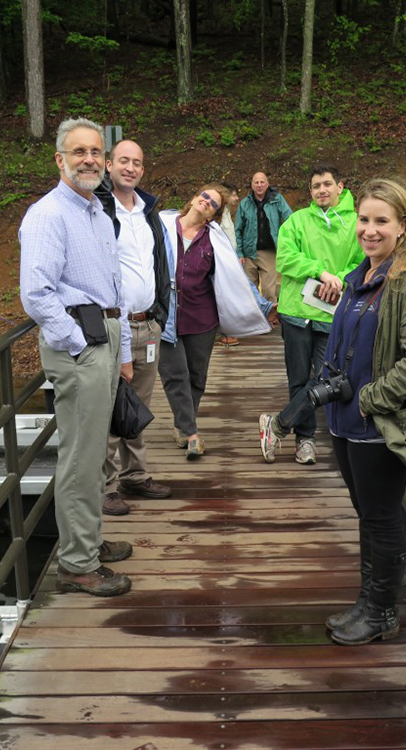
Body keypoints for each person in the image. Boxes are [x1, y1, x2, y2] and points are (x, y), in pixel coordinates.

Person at [319, 177, 406, 646]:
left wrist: (368, 400)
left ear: (402, 227)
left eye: (382, 221)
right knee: (366, 513)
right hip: (345, 422)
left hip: (378, 424)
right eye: (364, 219)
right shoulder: (362, 275)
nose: (370, 229)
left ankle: (382, 611)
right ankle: (367, 601)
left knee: (381, 516)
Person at [18, 117, 134, 598]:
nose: (88, 159)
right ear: (59, 159)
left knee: (92, 453)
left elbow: (114, 289)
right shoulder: (48, 215)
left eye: (94, 152)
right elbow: (36, 294)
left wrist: (122, 346)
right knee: (81, 458)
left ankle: (87, 540)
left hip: (102, 335)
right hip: (80, 343)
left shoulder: (96, 213)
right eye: (78, 151)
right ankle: (76, 564)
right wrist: (79, 343)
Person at [258, 164, 363, 465]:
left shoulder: (355, 223)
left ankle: (277, 425)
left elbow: (361, 261)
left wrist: (339, 279)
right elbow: (286, 258)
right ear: (310, 191)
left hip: (331, 313)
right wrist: (321, 272)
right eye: (316, 186)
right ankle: (305, 441)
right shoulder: (297, 221)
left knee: (323, 378)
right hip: (296, 312)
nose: (321, 190)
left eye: (327, 184)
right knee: (298, 378)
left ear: (340, 186)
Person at [158, 184, 271, 460]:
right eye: (204, 196)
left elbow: (237, 276)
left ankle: (182, 425)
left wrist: (264, 306)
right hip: (166, 316)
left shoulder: (214, 239)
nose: (206, 202)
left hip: (201, 317)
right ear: (194, 197)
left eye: (214, 203)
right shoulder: (161, 225)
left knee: (197, 377)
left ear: (214, 215)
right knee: (175, 375)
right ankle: (192, 433)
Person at [94, 139, 172, 517]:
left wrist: (160, 315)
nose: (130, 167)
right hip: (113, 327)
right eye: (123, 160)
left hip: (148, 325)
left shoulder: (148, 210)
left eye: (137, 162)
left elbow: (160, 263)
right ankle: (107, 487)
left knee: (137, 406)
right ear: (109, 165)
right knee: (111, 407)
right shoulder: (98, 207)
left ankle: (134, 475)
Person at [234, 171, 292, 301]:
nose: (259, 185)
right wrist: (240, 253)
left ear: (267, 184)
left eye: (262, 182)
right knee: (249, 290)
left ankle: (271, 319)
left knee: (269, 290)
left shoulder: (277, 200)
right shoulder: (244, 204)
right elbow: (238, 230)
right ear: (252, 185)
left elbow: (290, 219)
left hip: (269, 252)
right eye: (256, 182)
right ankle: (251, 318)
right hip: (249, 253)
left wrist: (285, 241)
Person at [218, 184, 242, 348]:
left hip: (230, 259)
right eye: (233, 195)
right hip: (222, 262)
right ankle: (225, 333)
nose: (236, 198)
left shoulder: (226, 213)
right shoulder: (218, 215)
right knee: (224, 297)